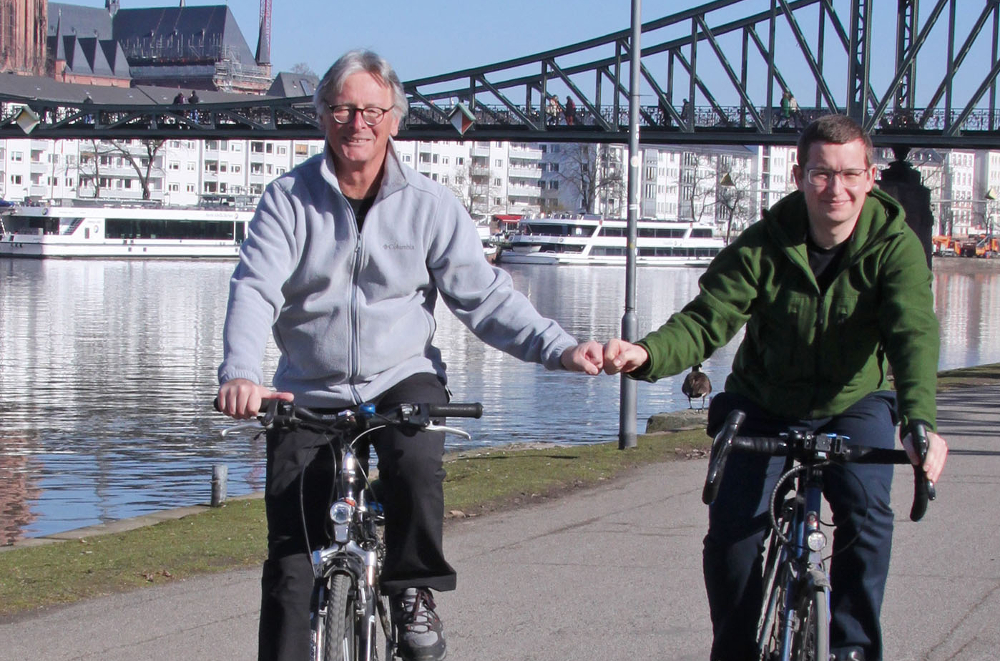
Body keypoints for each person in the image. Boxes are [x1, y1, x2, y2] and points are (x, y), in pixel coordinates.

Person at [216, 49, 604, 661]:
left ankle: (413, 588)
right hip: (306, 389)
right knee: (291, 564)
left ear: (395, 119)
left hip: (401, 377)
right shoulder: (287, 200)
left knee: (417, 458)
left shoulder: (430, 204)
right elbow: (255, 288)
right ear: (322, 118)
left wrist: (560, 349)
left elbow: (486, 298)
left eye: (372, 109)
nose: (357, 123)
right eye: (343, 109)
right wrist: (241, 373)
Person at [602, 114, 948, 661]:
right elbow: (707, 318)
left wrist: (919, 422)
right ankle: (736, 649)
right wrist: (646, 354)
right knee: (733, 539)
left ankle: (854, 649)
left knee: (866, 514)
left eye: (850, 174)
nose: (836, 188)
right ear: (798, 174)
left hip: (854, 399)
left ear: (871, 177)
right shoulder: (765, 241)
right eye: (821, 174)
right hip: (763, 401)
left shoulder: (895, 246)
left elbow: (913, 334)